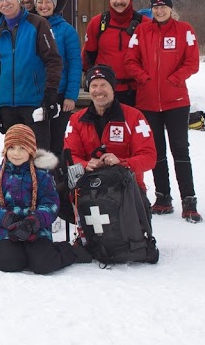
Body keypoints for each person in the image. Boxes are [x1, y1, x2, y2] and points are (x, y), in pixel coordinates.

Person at [124, 0, 202, 222]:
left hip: (176, 101)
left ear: (170, 8)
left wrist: (174, 79)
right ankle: (163, 197)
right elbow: (130, 61)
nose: (159, 10)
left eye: (163, 6)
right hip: (147, 102)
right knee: (155, 151)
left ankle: (189, 200)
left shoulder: (184, 30)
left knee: (180, 150)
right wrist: (144, 79)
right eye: (156, 7)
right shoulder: (141, 30)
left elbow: (192, 62)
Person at [0, 124, 91, 274]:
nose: (16, 153)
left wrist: (33, 222)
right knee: (8, 263)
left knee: (43, 265)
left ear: (31, 150)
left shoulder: (42, 174)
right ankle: (24, 254)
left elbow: (51, 203)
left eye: (22, 148)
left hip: (35, 228)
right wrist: (6, 218)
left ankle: (70, 251)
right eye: (12, 148)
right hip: (7, 229)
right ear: (5, 150)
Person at [63, 65, 159, 226]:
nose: (98, 90)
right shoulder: (76, 120)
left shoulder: (134, 117)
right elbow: (69, 156)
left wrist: (121, 163)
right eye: (94, 85)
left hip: (127, 187)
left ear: (113, 87)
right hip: (89, 186)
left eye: (103, 85)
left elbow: (149, 157)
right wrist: (86, 164)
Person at [0, 0, 62, 151]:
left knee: (38, 153)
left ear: (18, 0)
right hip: (7, 104)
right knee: (14, 155)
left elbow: (53, 60)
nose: (4, 3)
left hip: (34, 102)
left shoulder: (38, 24)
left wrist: (51, 93)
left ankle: (42, 179)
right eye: (0, 0)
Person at [34, 0, 81, 157]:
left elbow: (75, 63)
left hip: (60, 94)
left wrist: (71, 95)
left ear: (54, 4)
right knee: (39, 143)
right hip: (37, 94)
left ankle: (57, 180)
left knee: (56, 142)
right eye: (40, 2)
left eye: (48, 2)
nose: (43, 6)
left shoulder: (66, 30)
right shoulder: (32, 26)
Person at [83, 0, 147, 107]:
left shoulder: (144, 23)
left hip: (136, 91)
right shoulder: (98, 22)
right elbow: (88, 55)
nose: (119, 1)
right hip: (104, 90)